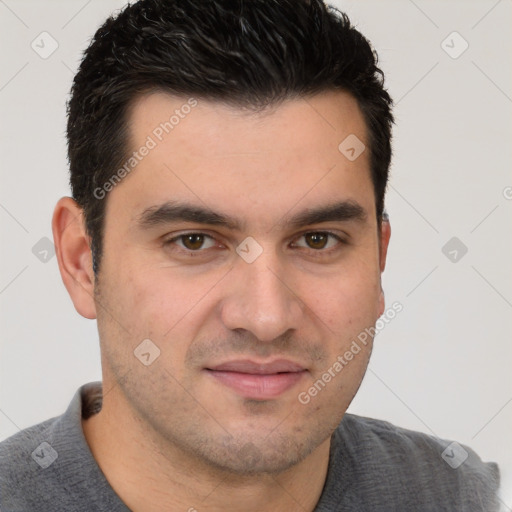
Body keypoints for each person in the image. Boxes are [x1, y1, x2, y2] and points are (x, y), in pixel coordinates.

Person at [0, 0, 501, 510]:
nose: (267, 317)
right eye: (194, 241)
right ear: (82, 261)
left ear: (377, 261)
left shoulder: (460, 495)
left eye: (317, 240)